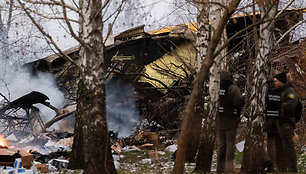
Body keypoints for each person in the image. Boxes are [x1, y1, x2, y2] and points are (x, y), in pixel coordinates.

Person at [216, 70, 244, 173]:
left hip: (219, 119)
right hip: (230, 119)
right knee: (230, 144)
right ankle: (228, 168)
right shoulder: (232, 88)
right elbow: (238, 102)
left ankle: (219, 168)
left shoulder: (216, 88)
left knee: (221, 144)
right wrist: (244, 99)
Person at [271, 72, 298, 172]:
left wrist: (279, 107)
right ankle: (281, 169)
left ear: (281, 82)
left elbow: (291, 105)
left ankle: (292, 169)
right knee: (279, 148)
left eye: (276, 81)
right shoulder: (277, 92)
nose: (274, 83)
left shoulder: (289, 92)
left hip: (286, 123)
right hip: (277, 124)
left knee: (288, 148)